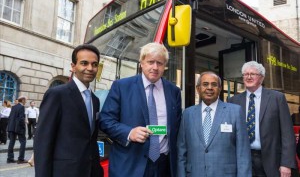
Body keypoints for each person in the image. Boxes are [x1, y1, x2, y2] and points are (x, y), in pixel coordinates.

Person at [100, 42, 182, 177]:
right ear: (141, 63)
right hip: (131, 164)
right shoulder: (121, 86)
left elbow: (177, 125)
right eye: (150, 62)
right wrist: (129, 132)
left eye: (160, 63)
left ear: (165, 66)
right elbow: (105, 120)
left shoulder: (174, 91)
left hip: (164, 165)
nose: (155, 67)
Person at [34, 44, 104, 177]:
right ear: (73, 66)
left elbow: (90, 139)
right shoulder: (57, 94)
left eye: (94, 64)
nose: (90, 68)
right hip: (65, 172)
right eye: (84, 63)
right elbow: (43, 141)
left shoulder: (95, 100)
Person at [227, 61, 296, 177]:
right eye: (245, 74)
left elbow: (287, 133)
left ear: (261, 78)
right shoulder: (233, 101)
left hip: (271, 160)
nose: (248, 77)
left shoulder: (277, 98)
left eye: (253, 74)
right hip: (243, 160)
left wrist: (286, 163)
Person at [177, 71, 251, 177]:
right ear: (198, 89)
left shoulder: (235, 112)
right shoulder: (188, 114)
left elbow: (243, 153)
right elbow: (181, 151)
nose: (210, 88)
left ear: (220, 89)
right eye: (205, 84)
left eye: (214, 84)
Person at [7, 96, 27, 164]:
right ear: (23, 100)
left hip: (12, 127)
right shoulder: (21, 107)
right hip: (18, 127)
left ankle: (10, 159)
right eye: (26, 100)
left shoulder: (14, 107)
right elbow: (21, 118)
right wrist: (23, 126)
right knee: (23, 142)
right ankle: (21, 159)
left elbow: (10, 117)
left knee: (11, 142)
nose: (26, 101)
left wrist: (9, 127)